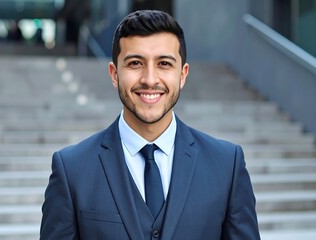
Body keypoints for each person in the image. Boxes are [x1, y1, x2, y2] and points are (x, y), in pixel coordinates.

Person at [40, 10, 260, 240]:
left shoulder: (227, 164)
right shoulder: (71, 169)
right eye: (135, 63)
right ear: (114, 74)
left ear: (182, 75)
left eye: (164, 63)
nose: (150, 79)